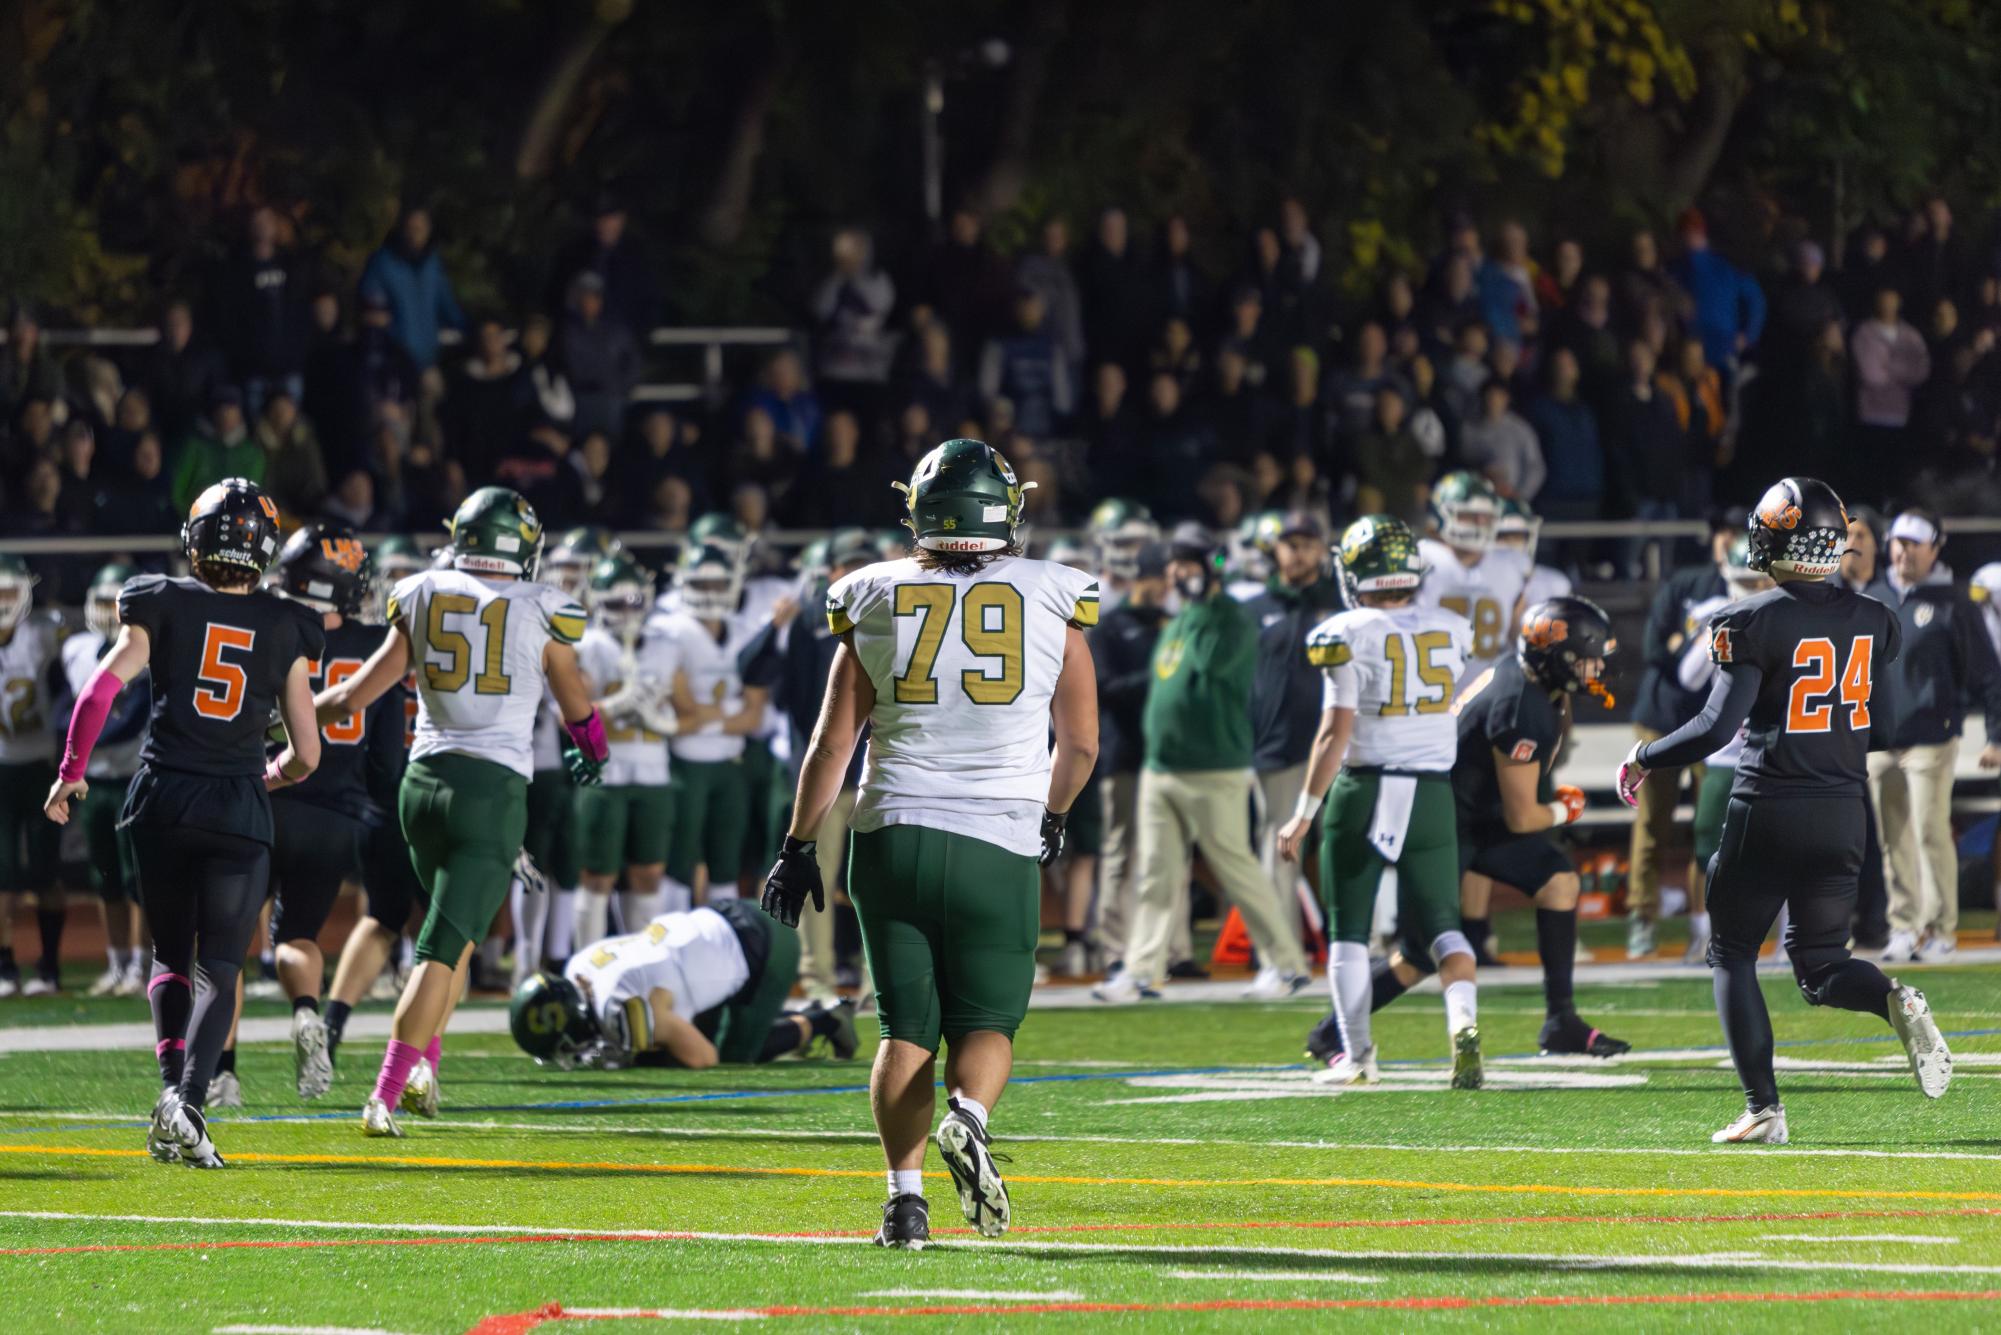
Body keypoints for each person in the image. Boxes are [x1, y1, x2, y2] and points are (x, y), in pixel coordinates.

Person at [759, 437, 1099, 1249]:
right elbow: (1080, 743)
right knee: (985, 1021)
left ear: (918, 509)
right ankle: (969, 1116)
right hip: (997, 834)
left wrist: (798, 843)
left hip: (893, 834)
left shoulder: (872, 591)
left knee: (904, 1027)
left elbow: (830, 745)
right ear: (1005, 512)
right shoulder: (1052, 592)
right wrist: (1053, 814)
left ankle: (903, 1203)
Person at [1616, 477, 1949, 1144]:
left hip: (1767, 803)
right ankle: (1894, 997)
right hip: (1839, 809)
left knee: (1731, 952)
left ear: (1772, 540)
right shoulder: (1874, 617)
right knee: (1822, 964)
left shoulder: (1750, 620)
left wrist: (1646, 754)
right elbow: (1879, 726)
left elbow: (1715, 727)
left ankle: (1763, 1107)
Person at [311, 486, 608, 1138]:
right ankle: (384, 1093)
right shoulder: (539, 606)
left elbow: (361, 691)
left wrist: (293, 719)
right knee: (442, 948)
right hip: (490, 789)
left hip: (422, 784)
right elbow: (575, 702)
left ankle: (425, 1069)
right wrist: (593, 750)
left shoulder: (421, 592)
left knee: (456, 932)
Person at [45, 477, 324, 1168]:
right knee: (220, 965)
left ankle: (172, 1094)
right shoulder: (288, 621)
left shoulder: (158, 599)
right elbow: (307, 753)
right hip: (233, 802)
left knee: (170, 956)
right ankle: (189, 1104)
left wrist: (72, 769)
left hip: (162, 796)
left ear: (196, 540)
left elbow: (101, 687)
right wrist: (269, 775)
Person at [1273, 514, 1482, 1088]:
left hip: (1364, 788)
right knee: (1443, 925)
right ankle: (1462, 1022)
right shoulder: (1452, 626)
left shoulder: (1345, 630)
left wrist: (1302, 814)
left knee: (1348, 931)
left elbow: (1333, 733)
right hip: (1431, 793)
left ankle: (1359, 1056)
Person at [1094, 522, 1312, 1003]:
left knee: (1238, 870)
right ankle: (1142, 970)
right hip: (1161, 767)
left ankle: (1287, 964)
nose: (1177, 572)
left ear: (1211, 565)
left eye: (1188, 561)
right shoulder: (1180, 619)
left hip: (1213, 765)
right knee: (1155, 873)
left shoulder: (1229, 619)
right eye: (1175, 562)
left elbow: (1207, 676)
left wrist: (1208, 595)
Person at [1449, 597, 1628, 1054]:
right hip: (1447, 826)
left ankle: (1561, 1021)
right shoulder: (1521, 705)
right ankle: (1334, 1030)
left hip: (1476, 818)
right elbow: (1523, 817)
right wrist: (1565, 812)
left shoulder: (1534, 681)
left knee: (1559, 882)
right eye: (1587, 660)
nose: (1596, 669)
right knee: (1415, 951)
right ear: (1558, 659)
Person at [265, 523, 404, 1099]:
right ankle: (307, 1011)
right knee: (300, 933)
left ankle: (218, 1075)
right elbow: (388, 755)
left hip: (263, 793)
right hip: (337, 813)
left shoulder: (268, 627)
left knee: (222, 946)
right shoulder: (377, 644)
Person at [738, 528, 879, 1003]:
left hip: (879, 773)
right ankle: (818, 979)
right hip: (835, 775)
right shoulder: (810, 621)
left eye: (865, 563)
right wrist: (776, 626)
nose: (857, 572)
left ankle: (874, 980)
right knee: (816, 879)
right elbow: (767, 680)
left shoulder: (891, 613)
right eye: (849, 564)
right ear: (831, 572)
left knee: (877, 886)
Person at [1864, 510, 2001, 963]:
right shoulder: (1875, 596)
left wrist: (1995, 736)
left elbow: (1986, 673)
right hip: (1881, 739)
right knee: (1892, 838)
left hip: (1932, 735)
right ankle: (1903, 925)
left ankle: (1941, 928)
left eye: (1913, 544)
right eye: (1898, 542)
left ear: (1934, 549)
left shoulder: (1953, 602)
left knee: (1929, 830)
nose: (1902, 551)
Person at [508, 905, 851, 1068]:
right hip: (718, 923)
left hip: (763, 945)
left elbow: (704, 1057)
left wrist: (641, 1059)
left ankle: (826, 1020)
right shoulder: (578, 968)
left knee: (733, 1057)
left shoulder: (616, 1003)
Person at [1624, 518, 1734, 957]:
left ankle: (1704, 924)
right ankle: (1641, 917)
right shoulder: (1687, 582)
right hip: (1665, 718)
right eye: (1724, 533)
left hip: (1716, 728)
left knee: (1709, 830)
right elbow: (1656, 649)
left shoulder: (1763, 591)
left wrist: (1683, 645)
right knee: (1653, 822)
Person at [1242, 512, 1342, 969]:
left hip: (1339, 747)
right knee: (1279, 852)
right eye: (1290, 543)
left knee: (1348, 843)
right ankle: (1281, 956)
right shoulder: (1253, 608)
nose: (1299, 552)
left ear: (1323, 549)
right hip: (1277, 747)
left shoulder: (1342, 604)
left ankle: (1360, 944)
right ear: (1274, 549)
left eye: (1307, 543)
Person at [570, 554, 682, 947]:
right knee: (597, 876)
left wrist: (663, 718)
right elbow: (571, 713)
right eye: (616, 603)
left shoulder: (667, 644)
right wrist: (618, 703)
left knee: (649, 874)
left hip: (654, 771)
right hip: (607, 771)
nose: (626, 612)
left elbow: (689, 712)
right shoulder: (588, 644)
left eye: (633, 602)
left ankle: (640, 964)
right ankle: (587, 968)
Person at [1673, 536, 1771, 965]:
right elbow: (1689, 677)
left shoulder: (1786, 617)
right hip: (1727, 753)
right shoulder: (1719, 616)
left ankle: (1786, 937)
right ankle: (1704, 934)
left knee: (1780, 849)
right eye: (1744, 583)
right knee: (1706, 844)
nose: (1752, 591)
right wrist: (1715, 631)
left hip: (1773, 751)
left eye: (1758, 582)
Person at [654, 543, 769, 909]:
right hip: (684, 765)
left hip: (730, 765)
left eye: (718, 585)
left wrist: (705, 715)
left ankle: (723, 940)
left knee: (726, 863)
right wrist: (728, 711)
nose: (710, 593)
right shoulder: (667, 629)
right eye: (701, 585)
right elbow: (677, 715)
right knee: (678, 861)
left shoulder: (745, 630)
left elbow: (754, 717)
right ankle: (668, 937)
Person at [56, 564, 151, 996]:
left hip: (134, 778)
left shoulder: (147, 650)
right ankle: (117, 963)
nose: (108, 614)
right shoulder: (77, 649)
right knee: (105, 878)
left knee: (139, 881)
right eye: (100, 603)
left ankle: (144, 964)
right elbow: (62, 710)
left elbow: (132, 721)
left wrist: (81, 741)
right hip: (93, 781)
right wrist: (74, 739)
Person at [1088, 540, 1176, 977]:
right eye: (1163, 577)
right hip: (1124, 754)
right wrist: (1162, 673)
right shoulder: (1109, 627)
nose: (1167, 587)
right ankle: (1115, 950)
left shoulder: (1172, 625)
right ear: (1146, 577)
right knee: (1121, 853)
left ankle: (1170, 950)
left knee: (1168, 855)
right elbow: (1105, 688)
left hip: (1169, 757)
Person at [0, 556, 67, 997]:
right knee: (2, 872)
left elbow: (66, 703)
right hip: (2, 767)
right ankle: (5, 965)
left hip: (42, 766)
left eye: (8, 592)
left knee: (47, 871)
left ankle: (49, 967)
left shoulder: (46, 637)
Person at [1416, 471, 1531, 685]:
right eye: (1469, 515)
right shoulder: (1421, 560)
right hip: (1427, 687)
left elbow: (1519, 638)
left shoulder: (1508, 565)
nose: (1479, 523)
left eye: (1485, 516)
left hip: (1486, 691)